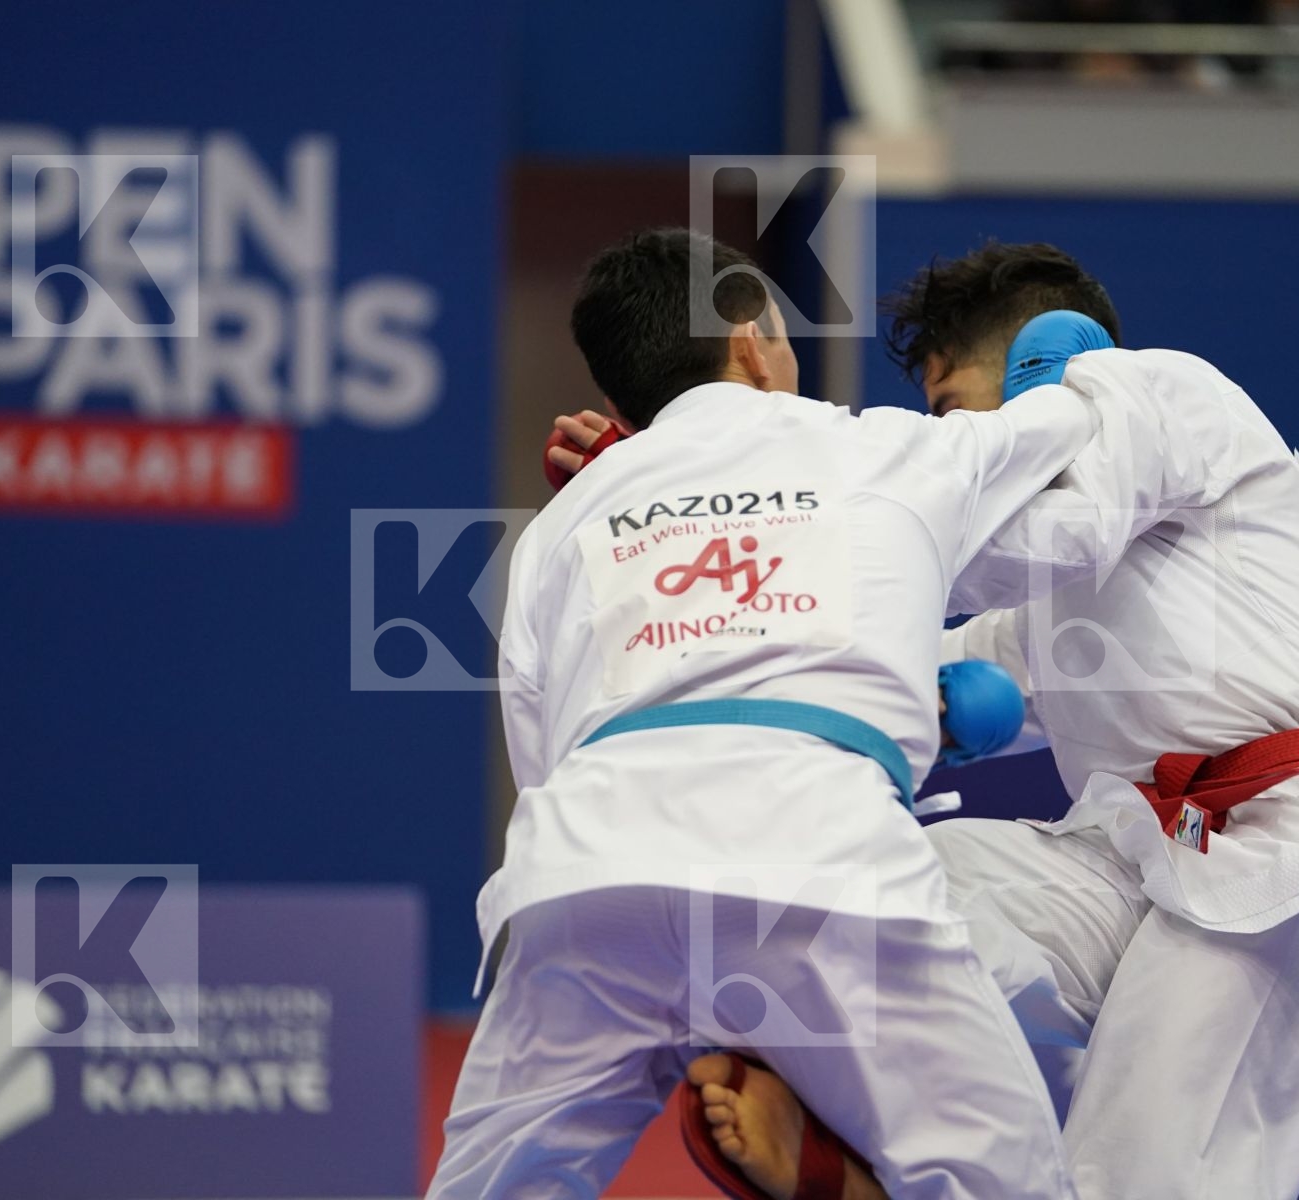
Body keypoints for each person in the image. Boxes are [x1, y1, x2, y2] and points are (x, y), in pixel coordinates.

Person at [548, 241, 1299, 1200]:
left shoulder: (1166, 393)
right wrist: (674, 512)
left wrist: (767, 498)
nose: (949, 449)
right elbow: (849, 661)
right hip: (1140, 860)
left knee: (1132, 1181)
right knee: (845, 895)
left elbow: (1027, 529)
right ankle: (869, 1164)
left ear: (1046, 363)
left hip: (1290, 859)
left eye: (949, 413)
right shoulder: (1055, 606)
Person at [427, 228, 1100, 1200]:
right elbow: (1076, 421)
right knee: (1008, 1181)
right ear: (751, 337)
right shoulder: (884, 444)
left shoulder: (563, 524)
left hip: (582, 875)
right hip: (818, 866)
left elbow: (543, 756)